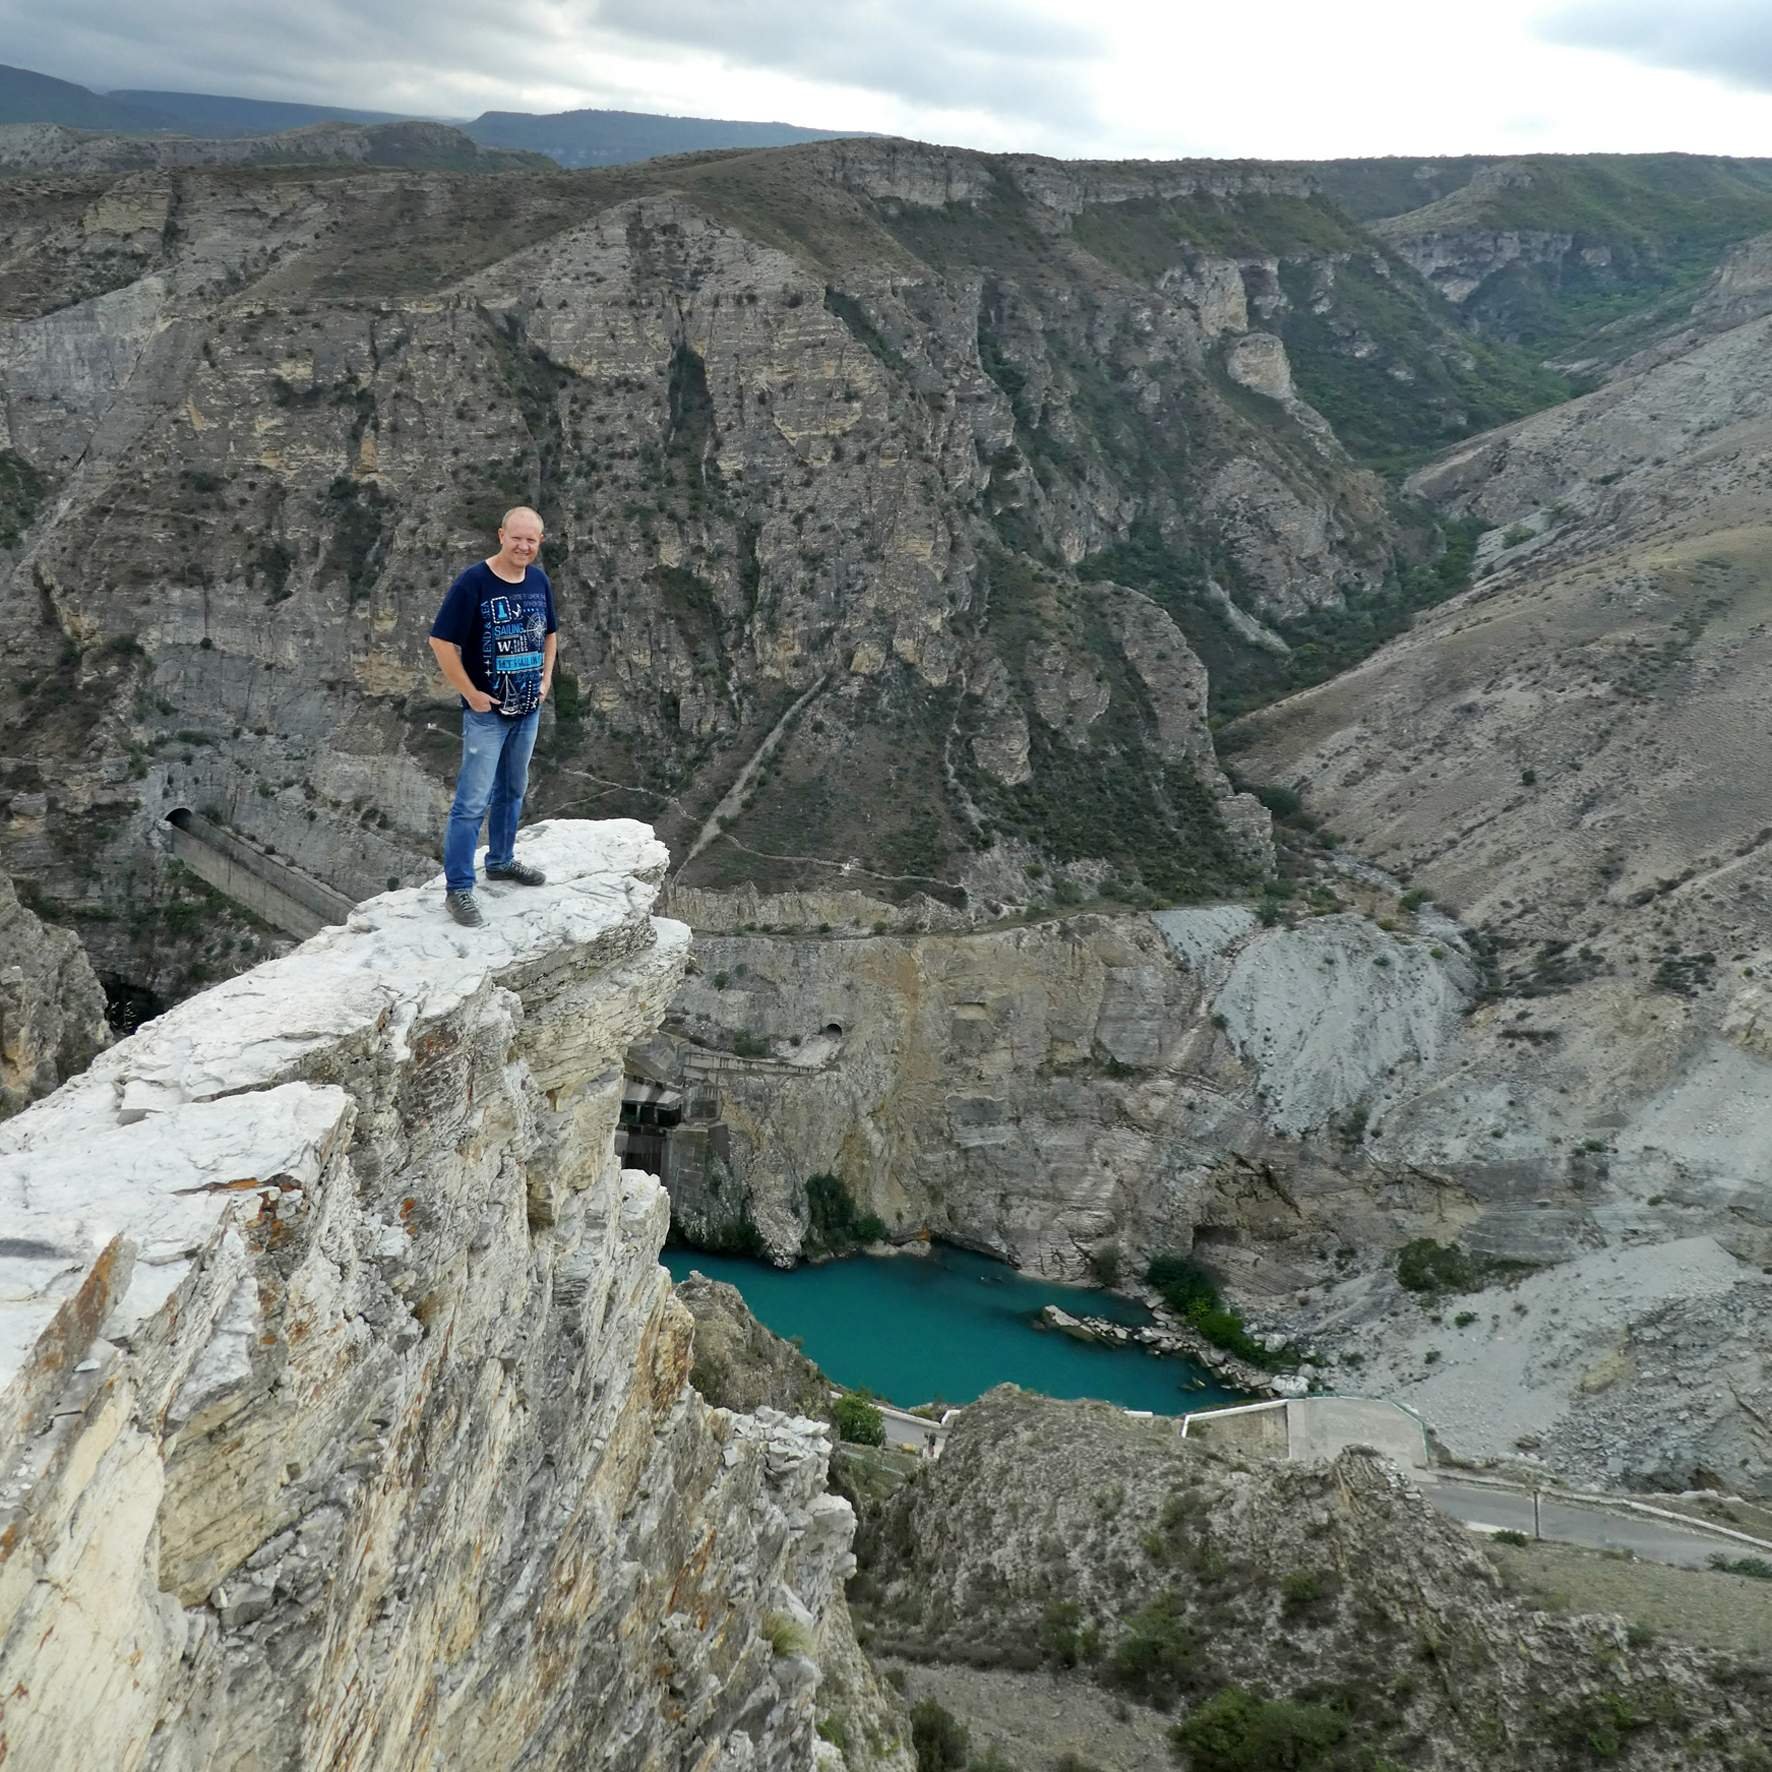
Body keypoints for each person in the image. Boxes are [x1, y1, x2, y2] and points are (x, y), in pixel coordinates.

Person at [428, 507, 557, 927]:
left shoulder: (538, 581)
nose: (523, 546)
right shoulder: (473, 583)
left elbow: (549, 634)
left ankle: (501, 861)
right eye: (516, 538)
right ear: (501, 535)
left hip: (527, 710)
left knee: (512, 790)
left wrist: (545, 681)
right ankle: (459, 888)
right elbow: (441, 641)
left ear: (540, 542)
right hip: (487, 715)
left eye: (531, 541)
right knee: (471, 803)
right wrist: (470, 693)